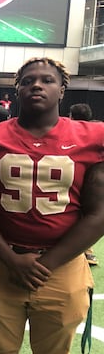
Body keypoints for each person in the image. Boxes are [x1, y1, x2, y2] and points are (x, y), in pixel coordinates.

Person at [0, 57, 104, 354]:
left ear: (62, 89)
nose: (37, 85)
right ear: (17, 89)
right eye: (28, 81)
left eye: (46, 80)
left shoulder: (91, 138)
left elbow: (99, 212)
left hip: (61, 266)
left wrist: (48, 262)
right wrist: (12, 260)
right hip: (2, 262)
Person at [69, 102, 99, 266]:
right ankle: (87, 252)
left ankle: (84, 251)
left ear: (71, 116)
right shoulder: (98, 131)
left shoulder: (70, 134)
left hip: (79, 182)